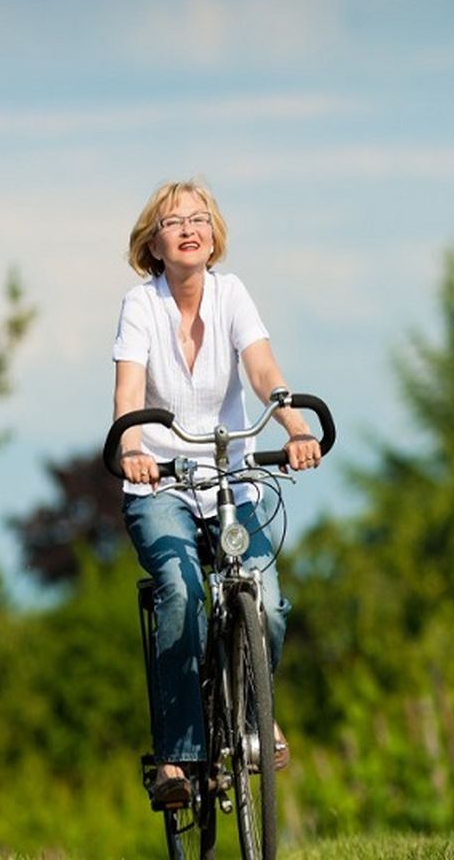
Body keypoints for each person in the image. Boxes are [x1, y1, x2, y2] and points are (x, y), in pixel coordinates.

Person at [112, 178, 322, 806]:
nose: (188, 228)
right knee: (181, 590)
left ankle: (255, 713)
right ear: (154, 241)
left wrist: (294, 425)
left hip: (233, 479)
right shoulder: (139, 305)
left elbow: (262, 370)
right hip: (164, 484)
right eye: (174, 221)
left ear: (214, 234)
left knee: (268, 597)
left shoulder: (232, 295)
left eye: (199, 218)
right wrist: (130, 448)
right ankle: (178, 756)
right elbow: (128, 393)